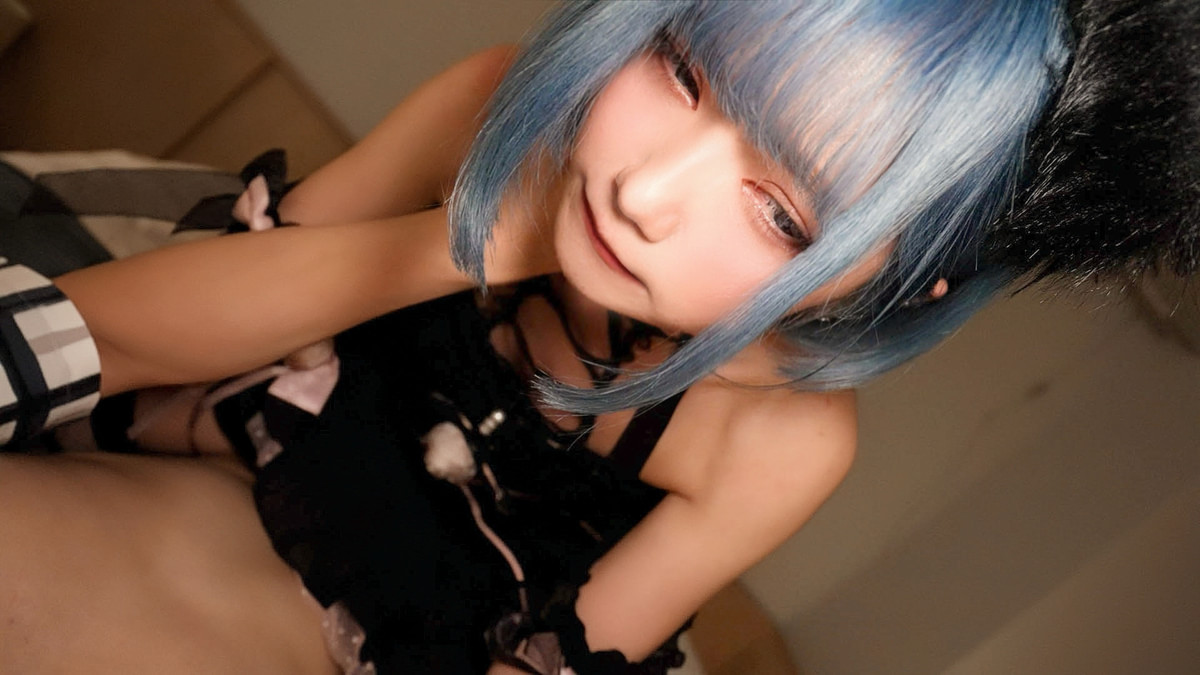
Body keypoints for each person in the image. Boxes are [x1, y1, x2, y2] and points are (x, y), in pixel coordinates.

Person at [3, 0, 1189, 672]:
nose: (646, 192)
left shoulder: (779, 444)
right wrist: (476, 240)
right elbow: (109, 338)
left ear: (897, 286)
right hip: (192, 466)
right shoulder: (490, 104)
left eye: (784, 213)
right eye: (685, 70)